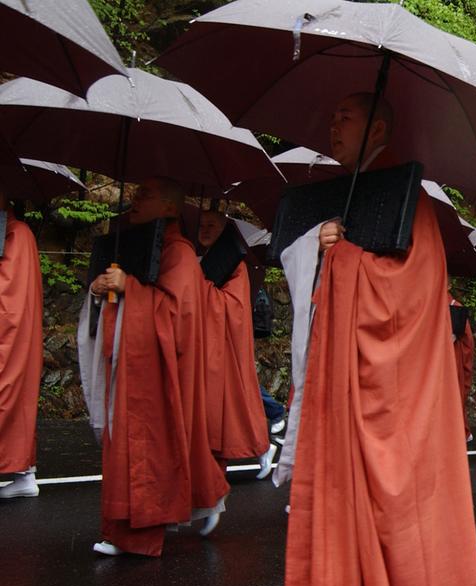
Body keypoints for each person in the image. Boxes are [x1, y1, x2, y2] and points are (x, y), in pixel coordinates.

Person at [275, 93, 476, 586]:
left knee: (386, 484)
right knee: (346, 478)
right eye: (333, 113)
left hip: (385, 382)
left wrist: (342, 257)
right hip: (344, 363)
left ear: (378, 127)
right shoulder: (353, 188)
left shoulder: (406, 196)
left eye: (346, 114)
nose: (333, 122)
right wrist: (319, 246)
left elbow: (409, 293)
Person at [80, 177, 229, 555]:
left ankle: (137, 534)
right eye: (136, 193)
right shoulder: (137, 243)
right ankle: (189, 503)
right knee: (132, 444)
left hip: (155, 371)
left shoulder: (178, 252)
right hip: (129, 361)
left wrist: (131, 287)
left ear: (170, 207)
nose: (136, 198)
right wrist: (103, 288)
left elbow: (177, 316)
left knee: (148, 445)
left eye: (146, 194)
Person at [195, 210, 273, 480]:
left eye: (212, 226)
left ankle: (261, 446)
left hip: (225, 348)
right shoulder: (202, 260)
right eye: (202, 225)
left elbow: (235, 307)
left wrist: (200, 289)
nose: (204, 230)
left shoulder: (235, 265)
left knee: (236, 405)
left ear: (224, 230)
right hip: (205, 345)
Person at [0, 190, 43, 499]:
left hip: (11, 330)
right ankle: (23, 472)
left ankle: (23, 472)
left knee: (9, 389)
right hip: (11, 328)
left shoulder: (18, 233)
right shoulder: (10, 231)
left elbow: (10, 294)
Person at [450, 289, 475, 443]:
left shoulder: (455, 306)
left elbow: (468, 341)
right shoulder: (430, 304)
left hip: (452, 359)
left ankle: (458, 431)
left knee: (453, 395)